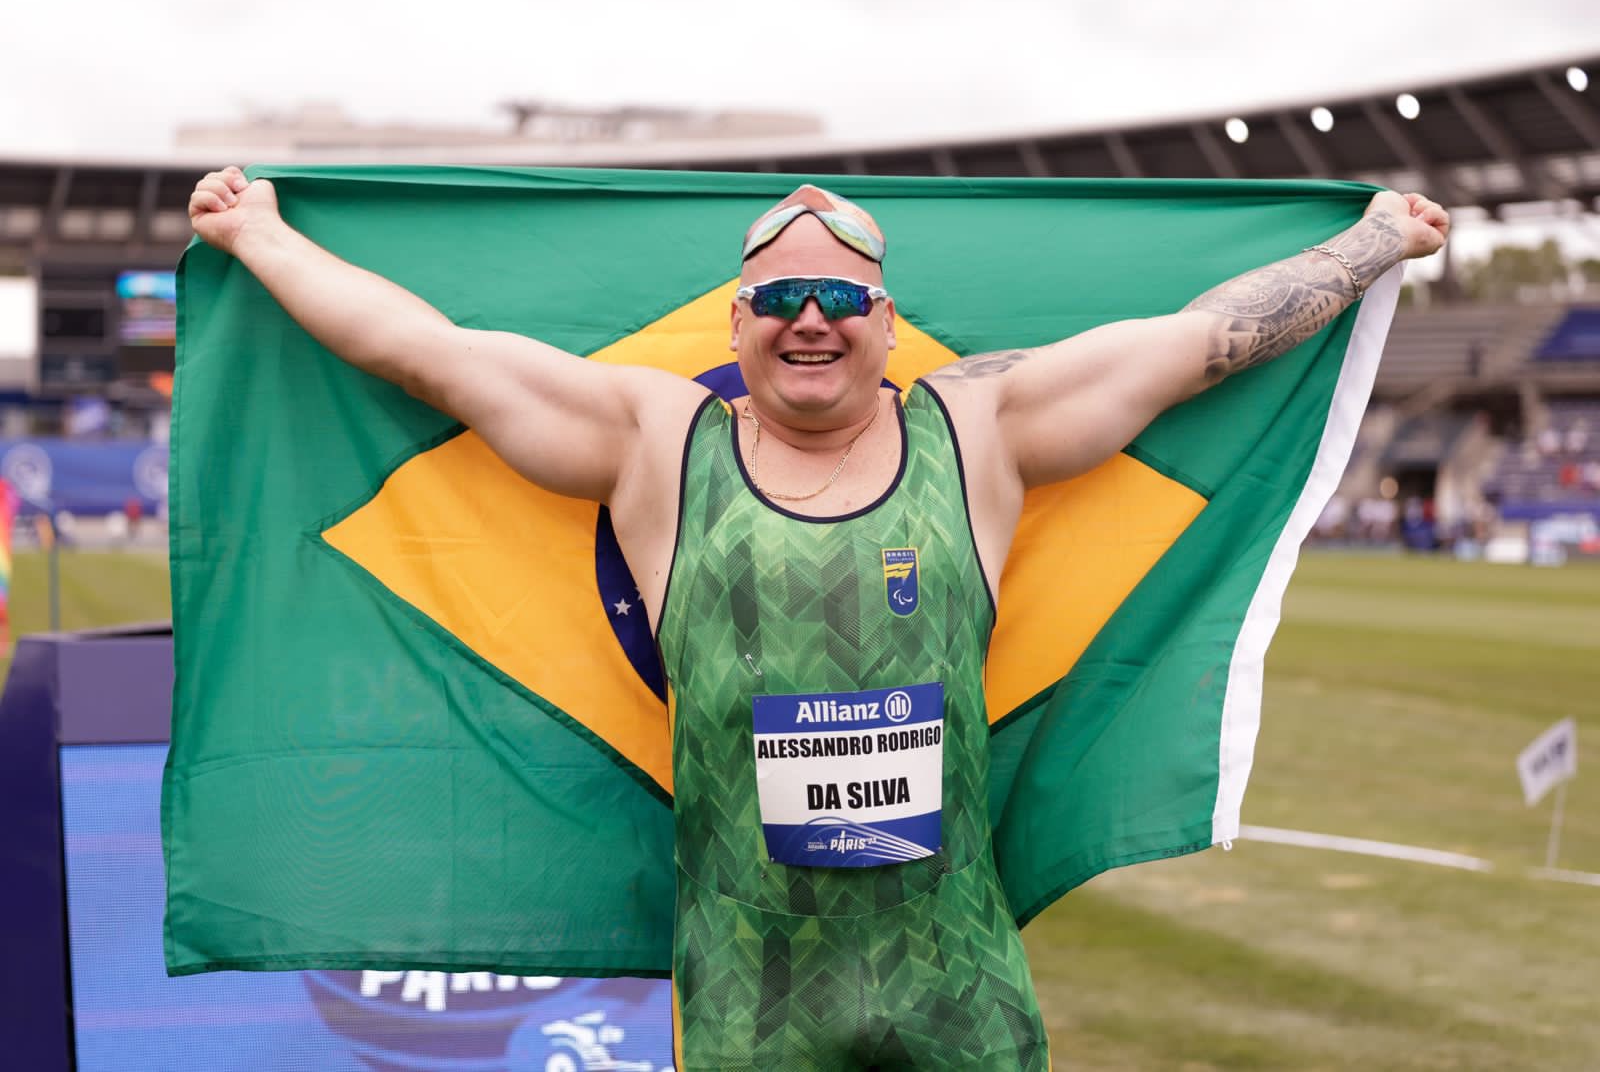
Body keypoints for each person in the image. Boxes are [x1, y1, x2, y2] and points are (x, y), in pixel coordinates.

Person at [188, 167, 1449, 1070]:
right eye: (782, 298)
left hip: (955, 981)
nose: (811, 319)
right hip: (751, 994)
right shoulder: (654, 446)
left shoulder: (977, 432)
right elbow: (429, 352)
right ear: (735, 325)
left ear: (885, 325)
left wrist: (1369, 243)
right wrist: (263, 239)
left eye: (842, 302)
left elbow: (1200, 344)